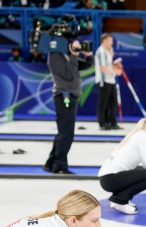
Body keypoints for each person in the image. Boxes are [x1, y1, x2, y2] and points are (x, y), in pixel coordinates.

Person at [43, 37, 93, 175]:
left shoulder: (65, 55)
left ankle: (51, 163)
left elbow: (83, 65)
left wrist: (88, 56)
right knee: (66, 133)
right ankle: (59, 167)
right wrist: (74, 56)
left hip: (70, 95)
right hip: (65, 96)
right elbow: (69, 74)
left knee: (63, 132)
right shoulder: (55, 56)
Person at [94, 33, 121, 130]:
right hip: (103, 80)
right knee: (103, 102)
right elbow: (103, 69)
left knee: (113, 102)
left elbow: (109, 65)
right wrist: (116, 71)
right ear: (104, 41)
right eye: (110, 40)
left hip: (111, 80)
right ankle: (103, 122)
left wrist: (116, 66)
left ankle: (113, 122)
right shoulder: (101, 52)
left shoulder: (109, 51)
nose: (112, 43)